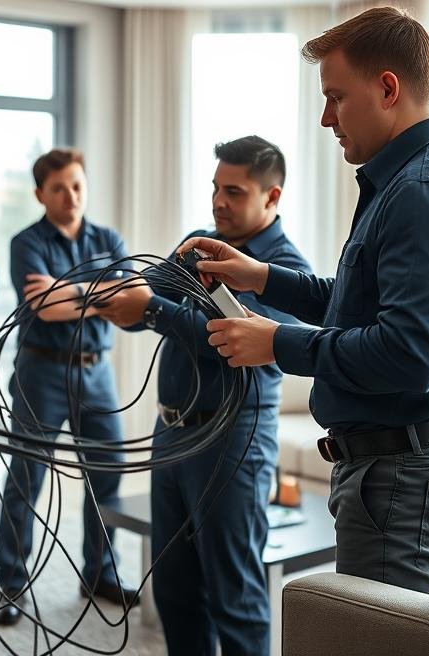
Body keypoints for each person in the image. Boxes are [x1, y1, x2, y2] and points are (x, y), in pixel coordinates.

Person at [181, 7, 429, 596]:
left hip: (400, 469)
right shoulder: (407, 181)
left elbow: (408, 353)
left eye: (335, 97)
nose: (325, 117)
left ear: (387, 89)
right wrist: (263, 277)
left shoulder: (425, 191)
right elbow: (360, 306)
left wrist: (276, 343)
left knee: (373, 637)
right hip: (392, 465)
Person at [98, 136, 311, 656]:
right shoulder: (199, 246)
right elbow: (144, 301)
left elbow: (237, 343)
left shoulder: (285, 270)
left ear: (272, 196)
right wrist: (121, 298)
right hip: (171, 433)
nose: (218, 201)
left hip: (231, 439)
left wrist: (151, 309)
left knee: (234, 595)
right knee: (175, 590)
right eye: (215, 188)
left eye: (233, 192)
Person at [0, 148, 139, 626]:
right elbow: (45, 308)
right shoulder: (25, 242)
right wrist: (100, 294)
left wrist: (69, 292)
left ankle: (100, 572)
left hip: (96, 371)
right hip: (42, 372)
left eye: (77, 185)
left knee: (108, 470)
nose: (71, 196)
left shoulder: (108, 238)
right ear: (40, 194)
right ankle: (12, 583)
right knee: (27, 476)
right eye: (58, 188)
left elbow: (131, 299)